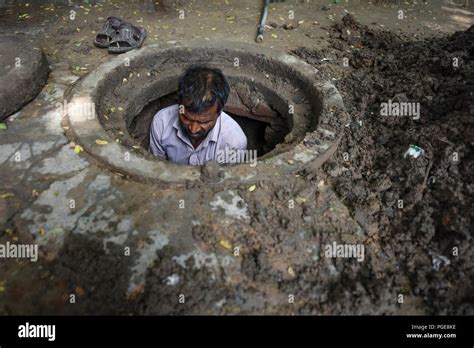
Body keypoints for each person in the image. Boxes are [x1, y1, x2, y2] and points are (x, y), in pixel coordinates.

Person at [149, 66, 247, 166]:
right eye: (186, 118)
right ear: (179, 105)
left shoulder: (234, 143)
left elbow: (227, 180)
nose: (193, 129)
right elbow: (157, 168)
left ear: (219, 112)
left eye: (204, 122)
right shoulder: (161, 123)